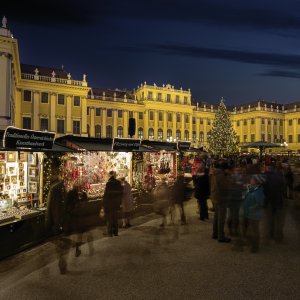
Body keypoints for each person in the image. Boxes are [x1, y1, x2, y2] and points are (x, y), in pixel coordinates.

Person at [242, 175, 265, 253]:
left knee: (255, 231)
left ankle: (255, 247)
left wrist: (251, 208)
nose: (250, 180)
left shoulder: (258, 192)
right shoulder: (251, 189)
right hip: (249, 213)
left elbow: (260, 203)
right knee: (250, 230)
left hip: (254, 215)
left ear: (256, 181)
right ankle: (250, 244)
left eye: (252, 179)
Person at [210, 161, 231, 243]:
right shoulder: (221, 176)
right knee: (221, 218)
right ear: (224, 169)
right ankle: (221, 236)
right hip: (221, 198)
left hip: (215, 197)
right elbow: (224, 188)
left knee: (217, 216)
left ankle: (215, 233)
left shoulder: (214, 174)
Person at [102, 171, 123, 237]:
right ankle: (115, 232)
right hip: (116, 204)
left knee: (109, 219)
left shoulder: (109, 183)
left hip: (109, 204)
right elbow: (121, 194)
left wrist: (103, 204)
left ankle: (109, 233)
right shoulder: (118, 183)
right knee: (115, 219)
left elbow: (106, 195)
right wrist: (119, 203)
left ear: (110, 176)